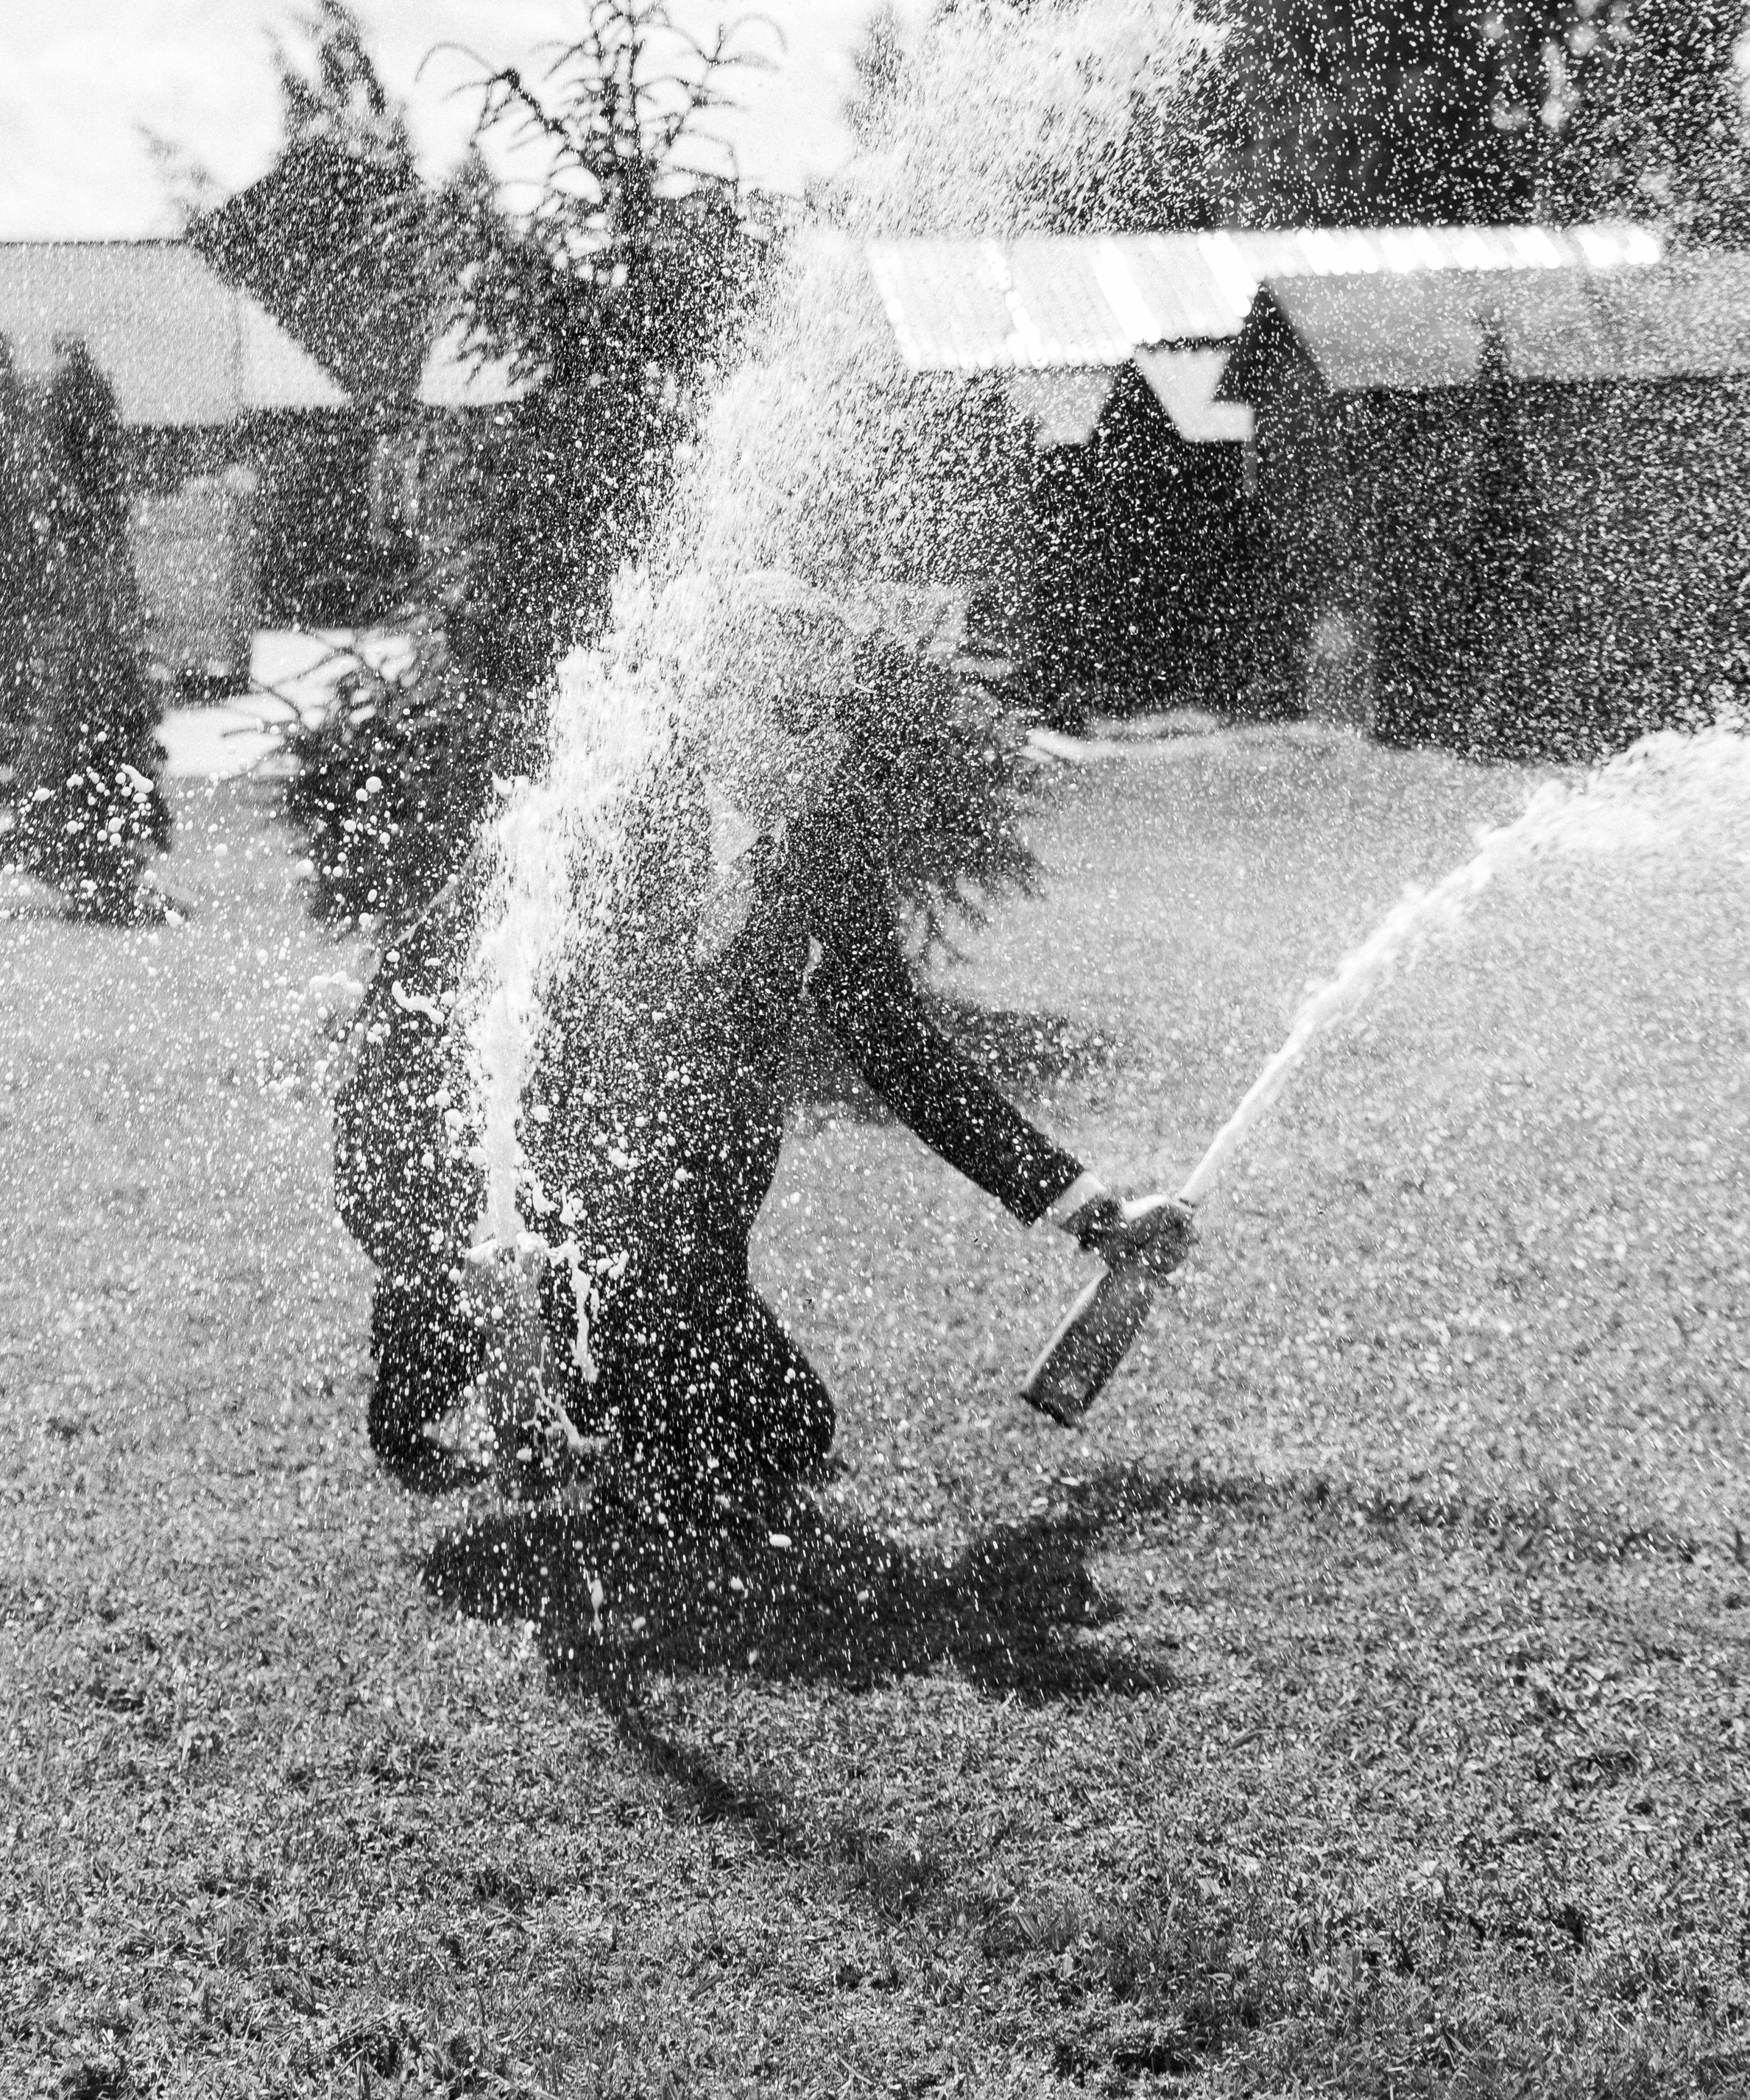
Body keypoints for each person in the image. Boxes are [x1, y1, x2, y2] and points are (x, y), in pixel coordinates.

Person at [334, 577, 1190, 1519]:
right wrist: (473, 1244)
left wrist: (1088, 1210)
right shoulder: (600, 820)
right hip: (518, 1198)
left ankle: (602, 1368)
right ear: (713, 700)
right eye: (791, 713)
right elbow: (437, 1032)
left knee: (784, 1428)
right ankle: (450, 1329)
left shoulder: (824, 843)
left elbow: (900, 1051)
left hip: (665, 1233)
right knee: (655, 1427)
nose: (819, 747)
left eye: (833, 718)